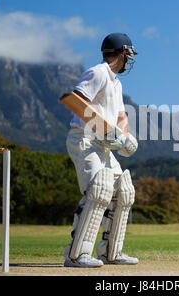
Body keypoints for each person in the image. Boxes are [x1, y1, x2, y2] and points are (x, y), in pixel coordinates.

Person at [63, 33, 139, 267]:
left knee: (123, 191)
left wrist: (123, 138)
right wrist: (105, 132)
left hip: (104, 145)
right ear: (122, 53)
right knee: (99, 189)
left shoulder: (116, 82)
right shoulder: (98, 72)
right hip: (84, 140)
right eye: (128, 54)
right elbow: (77, 101)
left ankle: (111, 252)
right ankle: (76, 255)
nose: (129, 60)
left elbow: (120, 116)